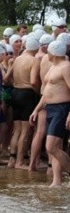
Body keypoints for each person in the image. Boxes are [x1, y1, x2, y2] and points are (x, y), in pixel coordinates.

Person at [29, 41, 70, 187]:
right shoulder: (54, 67)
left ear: (53, 53)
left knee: (51, 147)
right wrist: (37, 109)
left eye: (49, 52)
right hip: (50, 108)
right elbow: (46, 93)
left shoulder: (66, 67)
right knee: (55, 149)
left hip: (61, 108)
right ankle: (57, 181)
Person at [8, 35, 41, 169]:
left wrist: (16, 84)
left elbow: (7, 77)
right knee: (25, 131)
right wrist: (39, 92)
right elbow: (33, 81)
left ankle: (11, 160)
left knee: (16, 130)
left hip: (15, 93)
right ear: (36, 48)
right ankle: (20, 162)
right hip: (27, 94)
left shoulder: (17, 59)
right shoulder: (34, 61)